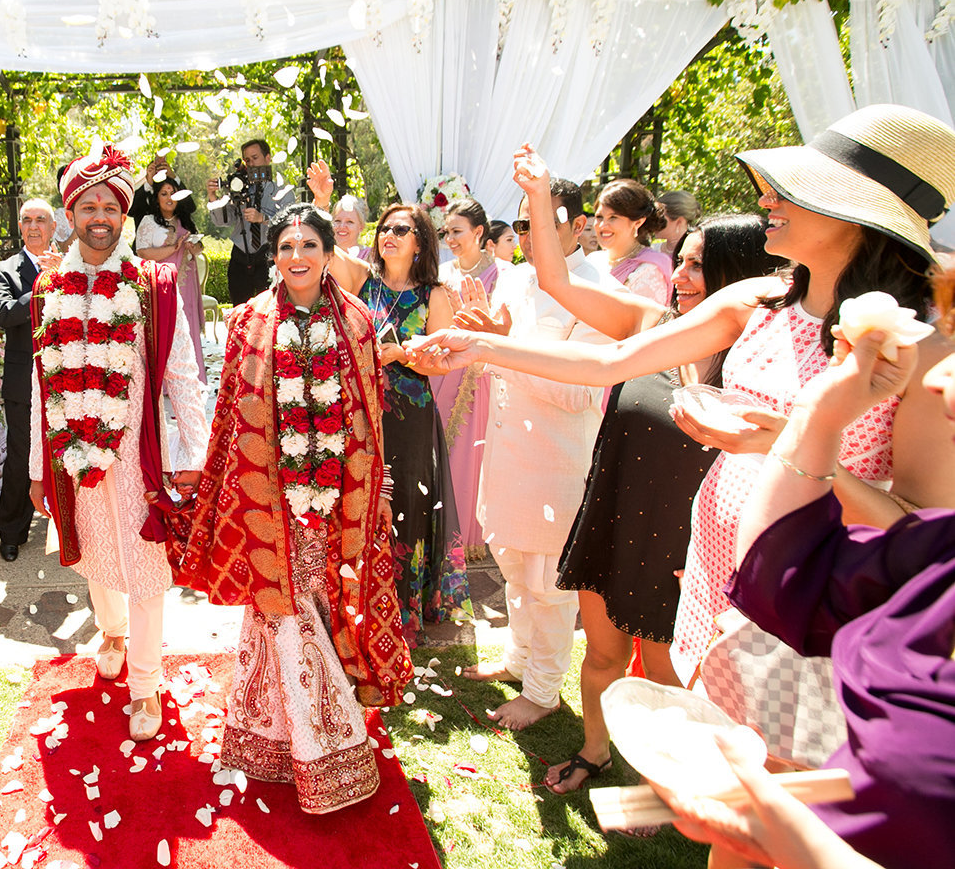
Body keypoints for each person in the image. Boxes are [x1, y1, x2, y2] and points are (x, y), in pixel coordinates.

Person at [408, 107, 955, 690]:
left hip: (815, 601)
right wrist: (480, 349)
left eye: (795, 191)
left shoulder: (923, 353)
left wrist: (791, 448)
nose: (768, 199)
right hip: (714, 568)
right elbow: (610, 362)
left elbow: (921, 541)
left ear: (858, 216)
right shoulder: (757, 299)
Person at [517, 200, 779, 792]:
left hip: (687, 543)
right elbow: (554, 279)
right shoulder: (651, 326)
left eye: (694, 268)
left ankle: (655, 784)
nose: (678, 278)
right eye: (679, 263)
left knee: (664, 672)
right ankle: (594, 750)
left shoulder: (758, 365)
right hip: (613, 518)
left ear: (738, 277)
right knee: (603, 657)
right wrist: (537, 191)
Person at [171, 203, 413, 813]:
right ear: (273, 256)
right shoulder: (249, 319)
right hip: (266, 495)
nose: (296, 257)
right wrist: (227, 487)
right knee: (282, 605)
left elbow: (365, 413)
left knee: (311, 600)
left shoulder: (357, 320)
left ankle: (275, 736)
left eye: (309, 245)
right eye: (285, 247)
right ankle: (317, 747)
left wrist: (366, 491)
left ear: (330, 253)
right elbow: (231, 408)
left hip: (335, 493)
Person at [720, 258, 955, 869]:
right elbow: (783, 578)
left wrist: (795, 840)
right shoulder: (940, 557)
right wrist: (824, 412)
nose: (936, 377)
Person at [27, 146, 210, 742]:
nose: (99, 215)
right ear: (70, 213)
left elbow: (184, 373)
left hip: (140, 455)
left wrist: (194, 456)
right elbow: (39, 387)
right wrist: (36, 467)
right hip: (73, 453)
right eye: (88, 205)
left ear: (124, 216)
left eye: (111, 205)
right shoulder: (47, 290)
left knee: (147, 567)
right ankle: (110, 631)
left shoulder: (152, 285)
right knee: (94, 556)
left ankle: (147, 684)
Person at [449, 182, 620, 731]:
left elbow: (579, 390)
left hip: (556, 463)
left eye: (541, 221)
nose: (527, 235)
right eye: (520, 225)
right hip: (505, 457)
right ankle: (518, 661)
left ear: (578, 223)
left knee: (548, 586)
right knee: (514, 569)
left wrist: (500, 350)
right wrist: (486, 339)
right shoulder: (518, 278)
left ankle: (543, 691)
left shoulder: (598, 289)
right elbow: (493, 352)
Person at [329, 205, 469, 644]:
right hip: (362, 412)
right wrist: (322, 199)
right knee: (361, 499)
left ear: (420, 241)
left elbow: (442, 364)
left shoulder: (434, 295)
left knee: (406, 504)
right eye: (385, 228)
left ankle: (403, 612)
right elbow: (325, 251)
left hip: (409, 415)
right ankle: (361, 600)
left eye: (401, 229)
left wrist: (402, 354)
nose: (388, 235)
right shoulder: (363, 281)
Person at [430, 198, 501, 560]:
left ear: (478, 232)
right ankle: (444, 528)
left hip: (481, 374)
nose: (451, 238)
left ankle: (472, 533)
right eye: (446, 232)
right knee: (444, 448)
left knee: (475, 452)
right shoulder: (443, 272)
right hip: (446, 370)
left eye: (457, 231)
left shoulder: (501, 274)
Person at [0, 200, 57, 562]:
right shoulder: (4, 271)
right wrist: (46, 286)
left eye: (40, 220)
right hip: (22, 379)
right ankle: (12, 532)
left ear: (54, 226)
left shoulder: (73, 263)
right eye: (27, 220)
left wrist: (66, 276)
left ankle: (71, 526)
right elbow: (0, 312)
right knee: (21, 456)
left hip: (68, 377)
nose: (33, 226)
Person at [133, 177, 207, 382]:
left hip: (186, 282)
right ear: (156, 198)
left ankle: (191, 378)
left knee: (188, 326)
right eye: (163, 194)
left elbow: (199, 248)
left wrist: (194, 247)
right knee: (165, 328)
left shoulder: (185, 220)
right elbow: (142, 252)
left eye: (172, 194)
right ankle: (164, 382)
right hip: (160, 283)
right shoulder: (148, 221)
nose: (168, 198)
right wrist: (172, 249)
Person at [209, 138, 287, 304]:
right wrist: (213, 198)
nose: (251, 164)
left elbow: (289, 223)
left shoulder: (281, 190)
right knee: (239, 311)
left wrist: (263, 218)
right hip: (239, 256)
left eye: (255, 158)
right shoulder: (240, 187)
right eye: (248, 160)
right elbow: (224, 220)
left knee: (269, 310)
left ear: (268, 158)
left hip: (268, 255)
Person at [588, 179, 673, 305]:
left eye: (613, 217)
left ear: (638, 222)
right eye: (599, 217)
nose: (603, 225)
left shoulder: (649, 269)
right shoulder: (593, 260)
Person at [657, 188, 702, 257]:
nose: (654, 223)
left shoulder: (696, 252)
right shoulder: (653, 249)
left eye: (660, 220)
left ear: (679, 221)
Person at [330, 195, 372, 261]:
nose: (342, 226)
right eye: (337, 221)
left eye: (349, 222)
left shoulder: (369, 255)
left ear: (361, 227)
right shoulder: (324, 254)